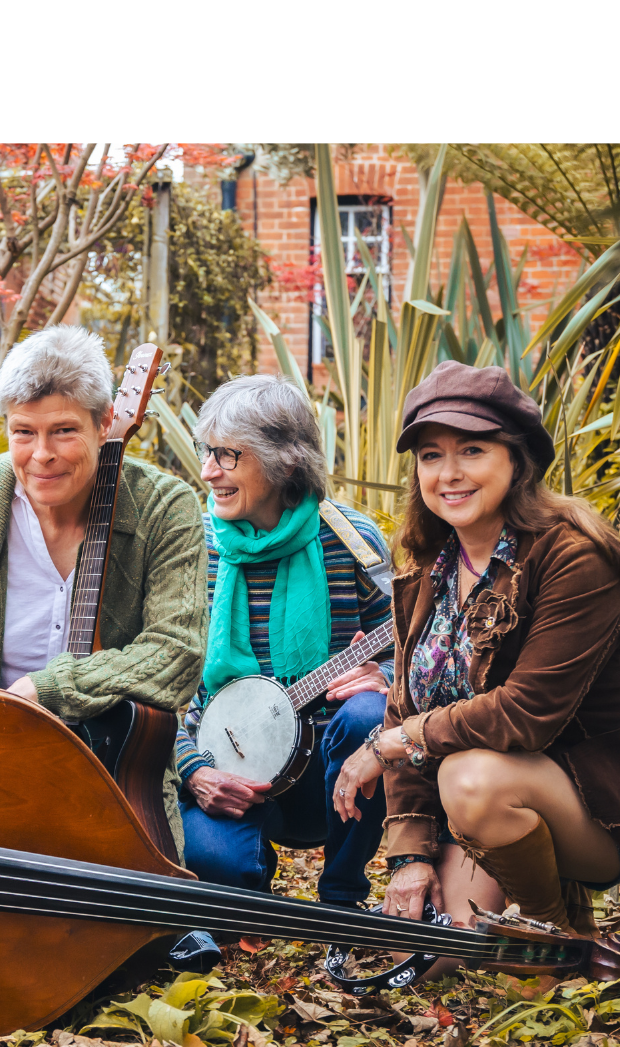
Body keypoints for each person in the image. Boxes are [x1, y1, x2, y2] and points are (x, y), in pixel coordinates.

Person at [333, 360, 620, 946]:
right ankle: (534, 899)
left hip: (592, 806)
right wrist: (411, 857)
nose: (449, 474)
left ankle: (557, 938)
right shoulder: (428, 568)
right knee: (436, 952)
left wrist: (393, 743)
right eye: (431, 455)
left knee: (469, 777)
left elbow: (525, 713)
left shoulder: (572, 557)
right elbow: (403, 706)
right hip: (487, 806)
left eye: (472, 450)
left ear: (517, 459)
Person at [0, 324, 208, 855]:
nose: (41, 454)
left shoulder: (165, 506)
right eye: (23, 432)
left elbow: (177, 652)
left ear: (105, 423)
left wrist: (48, 690)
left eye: (64, 430)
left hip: (118, 774)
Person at [175, 374, 394, 906]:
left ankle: (341, 897)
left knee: (368, 713)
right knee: (215, 865)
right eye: (207, 452)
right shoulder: (194, 547)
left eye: (228, 455)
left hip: (328, 766)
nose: (208, 471)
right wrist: (193, 769)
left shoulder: (352, 541)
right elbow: (158, 688)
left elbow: (410, 650)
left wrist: (384, 677)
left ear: (286, 462)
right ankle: (249, 879)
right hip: (226, 760)